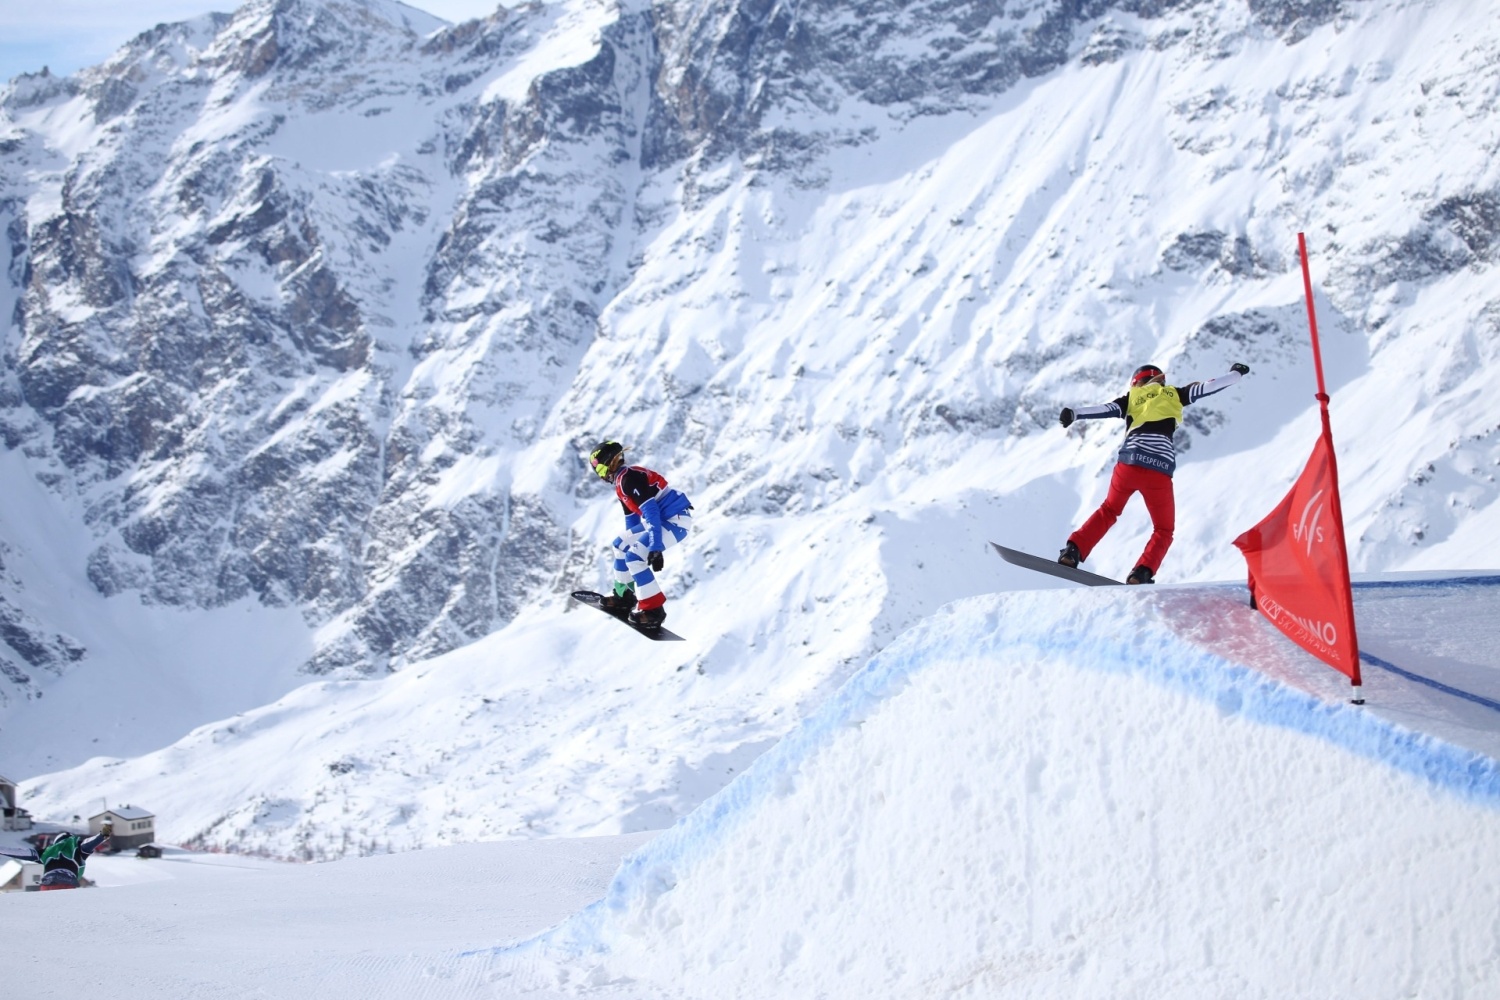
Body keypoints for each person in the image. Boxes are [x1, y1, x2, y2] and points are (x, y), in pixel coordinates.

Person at [1057, 362, 1250, 584]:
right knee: (1164, 529)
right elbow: (1211, 386)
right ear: (1161, 380)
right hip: (1159, 470)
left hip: (1129, 464)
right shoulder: (1176, 394)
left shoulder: (1131, 398)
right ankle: (1142, 572)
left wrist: (1074, 414)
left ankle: (1073, 551)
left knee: (1109, 510)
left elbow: (1104, 409)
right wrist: (1236, 373)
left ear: (1135, 383)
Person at [587, 440, 693, 628]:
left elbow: (651, 512)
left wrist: (655, 547)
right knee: (620, 545)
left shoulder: (629, 479)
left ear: (607, 464)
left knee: (634, 557)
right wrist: (631, 540)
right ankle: (624, 595)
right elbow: (632, 520)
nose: (600, 476)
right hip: (662, 519)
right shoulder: (622, 482)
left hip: (675, 521)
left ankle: (653, 611)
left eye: (599, 470)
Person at [1, 823, 112, 890]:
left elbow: (19, 852)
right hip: (68, 882)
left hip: (47, 882)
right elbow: (89, 843)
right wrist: (102, 835)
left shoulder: (46, 852)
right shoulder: (77, 849)